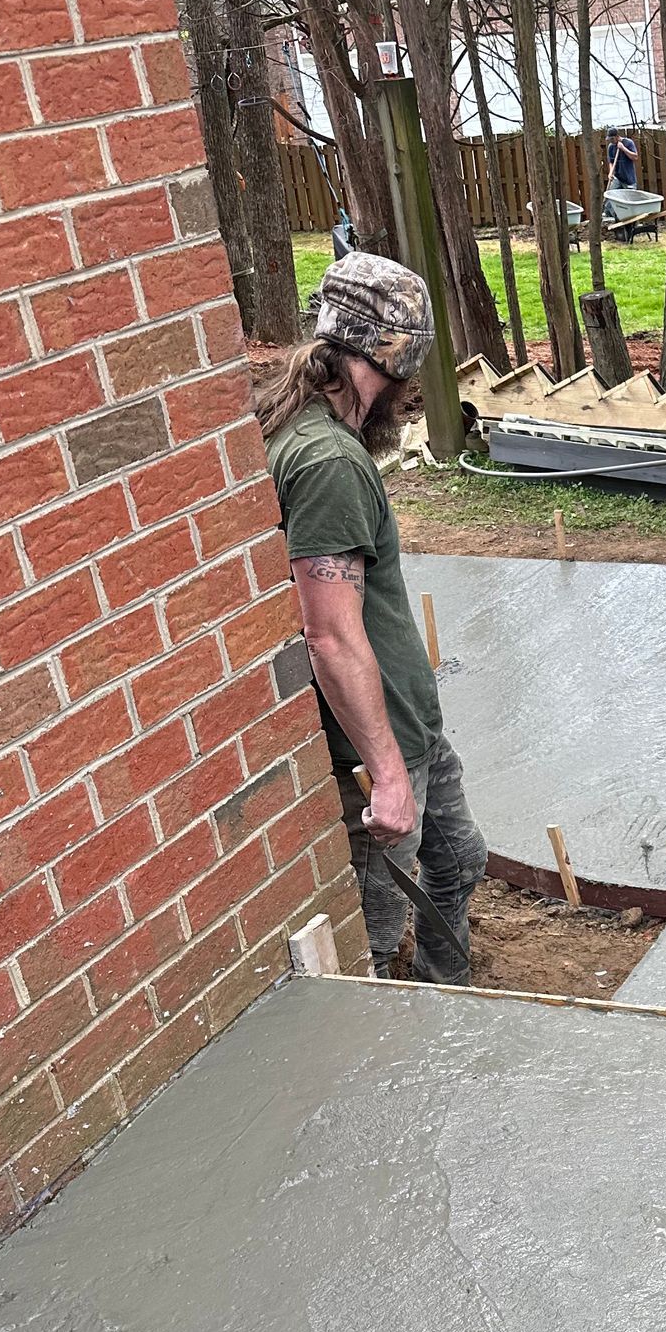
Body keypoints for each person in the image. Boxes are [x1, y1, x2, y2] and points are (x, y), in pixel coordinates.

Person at [253, 254, 486, 984]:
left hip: (409, 725)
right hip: (377, 743)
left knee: (458, 861)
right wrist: (386, 774)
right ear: (383, 357)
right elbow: (327, 630)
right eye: (410, 367)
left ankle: (445, 996)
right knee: (375, 930)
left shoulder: (310, 429)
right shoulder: (328, 462)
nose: (412, 389)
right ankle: (392, 1056)